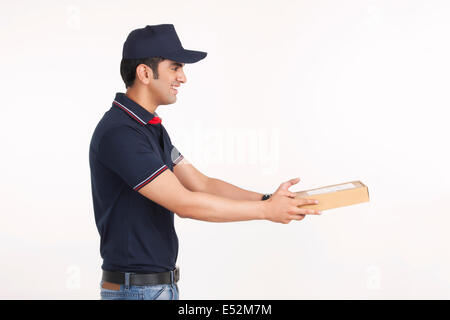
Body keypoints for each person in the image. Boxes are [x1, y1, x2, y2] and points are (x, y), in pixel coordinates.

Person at [89, 24, 321, 300]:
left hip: (153, 288)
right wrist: (266, 212)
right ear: (144, 73)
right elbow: (184, 203)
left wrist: (267, 199)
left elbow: (201, 183)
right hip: (137, 290)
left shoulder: (150, 127)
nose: (183, 78)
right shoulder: (121, 133)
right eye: (175, 67)